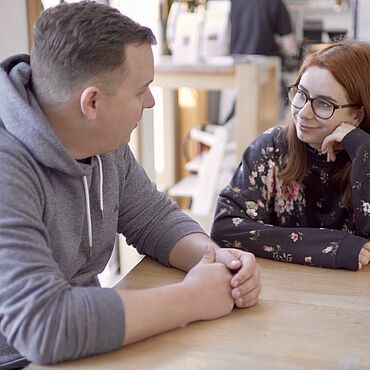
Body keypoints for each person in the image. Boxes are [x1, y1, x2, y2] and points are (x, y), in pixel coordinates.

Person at [0, 2, 262, 368]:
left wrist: (215, 260)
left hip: (81, 346)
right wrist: (192, 299)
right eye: (141, 91)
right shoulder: (7, 168)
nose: (152, 101)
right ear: (91, 102)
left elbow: (153, 218)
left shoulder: (104, 144)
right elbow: (44, 325)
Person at [211, 41, 370, 271]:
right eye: (301, 94)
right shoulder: (271, 147)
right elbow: (225, 228)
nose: (303, 113)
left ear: (356, 116)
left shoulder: (365, 152)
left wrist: (363, 149)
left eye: (324, 104)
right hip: (281, 291)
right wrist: (332, 248)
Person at [230, 0, 297, 60]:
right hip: (266, 65)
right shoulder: (275, 2)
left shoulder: (232, 2)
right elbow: (289, 45)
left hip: (235, 64)